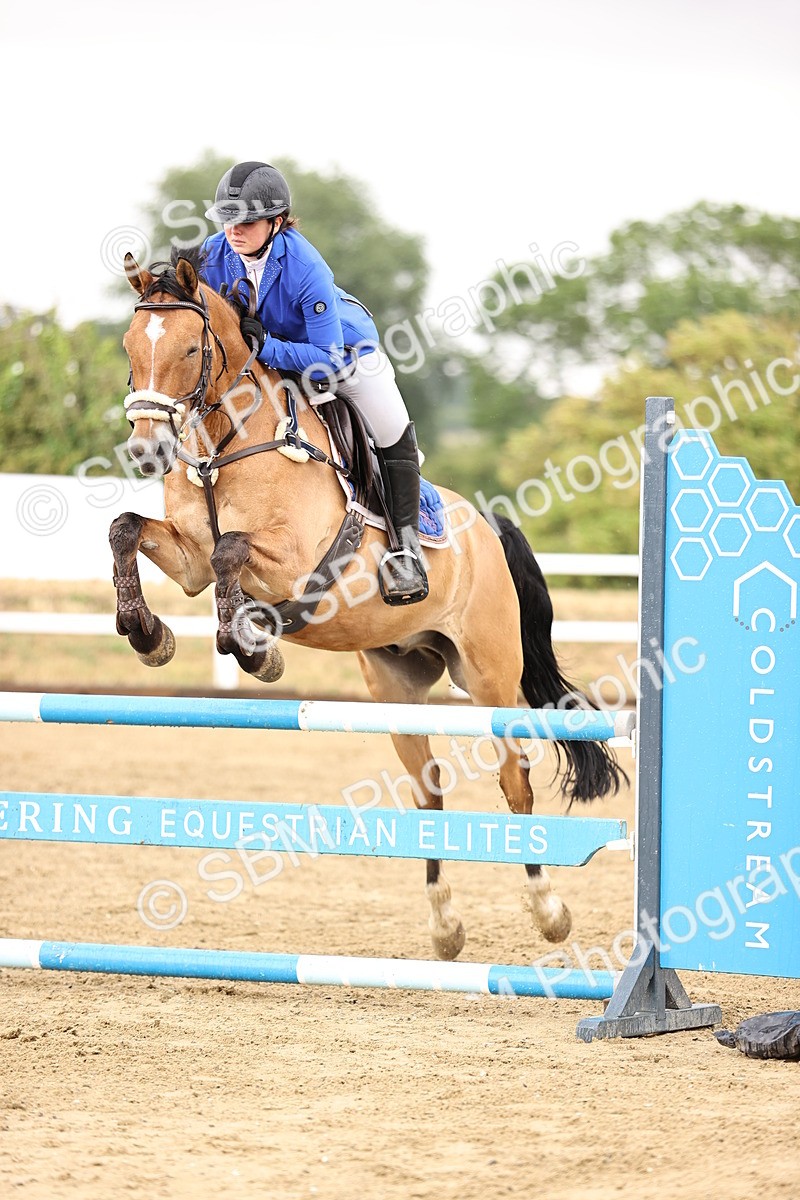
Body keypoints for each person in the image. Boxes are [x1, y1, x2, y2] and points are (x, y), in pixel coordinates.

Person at [202, 160, 428, 607]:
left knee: (391, 428)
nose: (235, 230)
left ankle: (406, 549)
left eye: (247, 221)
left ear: (277, 221)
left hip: (345, 358)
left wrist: (265, 348)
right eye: (228, 219)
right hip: (274, 362)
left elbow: (324, 361)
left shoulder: (306, 267)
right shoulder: (214, 253)